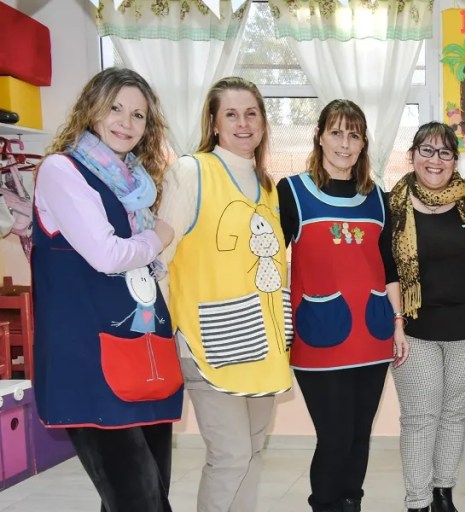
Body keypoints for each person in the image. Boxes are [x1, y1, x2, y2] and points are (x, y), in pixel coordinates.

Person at [32, 67, 181, 511]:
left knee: (147, 494)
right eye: (115, 107)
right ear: (92, 108)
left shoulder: (134, 184)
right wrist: (160, 236)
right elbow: (106, 254)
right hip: (89, 362)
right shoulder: (63, 170)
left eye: (138, 115)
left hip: (139, 354)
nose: (125, 122)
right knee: (140, 500)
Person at [159, 76, 292, 512]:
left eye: (251, 113)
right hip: (208, 338)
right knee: (231, 454)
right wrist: (160, 336)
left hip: (261, 340)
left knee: (252, 450)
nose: (242, 123)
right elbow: (161, 257)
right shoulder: (189, 171)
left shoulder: (268, 187)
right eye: (230, 114)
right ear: (213, 123)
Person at [277, 99, 409, 512]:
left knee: (358, 435)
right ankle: (327, 505)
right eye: (336, 132)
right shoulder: (292, 192)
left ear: (364, 142)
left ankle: (351, 502)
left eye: (354, 135)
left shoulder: (377, 198)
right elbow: (265, 261)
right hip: (320, 337)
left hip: (372, 334)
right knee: (334, 437)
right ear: (319, 136)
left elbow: (388, 268)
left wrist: (399, 324)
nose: (344, 143)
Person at [389, 121, 465, 512]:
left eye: (445, 152)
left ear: (455, 161)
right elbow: (385, 271)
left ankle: (442, 494)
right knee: (420, 417)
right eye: (427, 150)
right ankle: (417, 501)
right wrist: (397, 322)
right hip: (414, 330)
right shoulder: (392, 203)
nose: (435, 160)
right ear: (412, 155)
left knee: (453, 415)